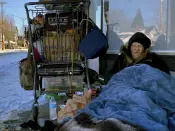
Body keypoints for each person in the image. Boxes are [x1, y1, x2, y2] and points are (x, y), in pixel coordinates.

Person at [104, 32, 170, 84]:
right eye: (134, 46)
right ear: (130, 47)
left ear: (145, 49)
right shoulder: (122, 59)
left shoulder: (153, 60)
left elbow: (164, 77)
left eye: (140, 46)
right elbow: (111, 75)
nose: (136, 49)